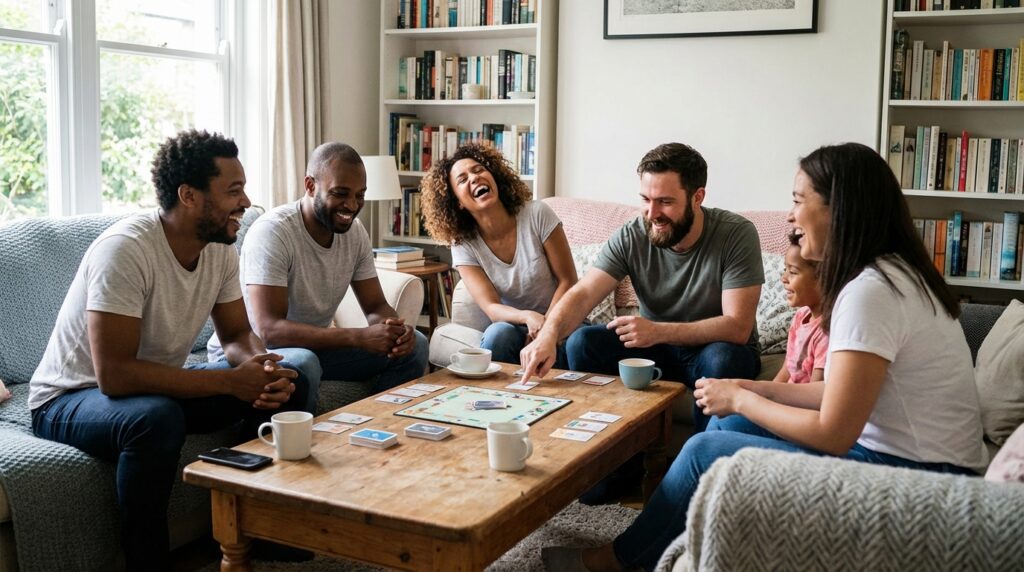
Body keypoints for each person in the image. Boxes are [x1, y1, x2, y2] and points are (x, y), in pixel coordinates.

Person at [542, 142, 987, 572]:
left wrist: (741, 398)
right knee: (725, 422)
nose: (790, 216)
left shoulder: (871, 293)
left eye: (798, 200)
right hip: (908, 455)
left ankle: (620, 560)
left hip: (920, 474)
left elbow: (833, 432)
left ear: (839, 210)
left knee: (703, 449)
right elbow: (836, 393)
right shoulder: (887, 276)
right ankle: (688, 538)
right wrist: (750, 390)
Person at [29, 130, 310, 570]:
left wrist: (260, 367)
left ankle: (253, 530)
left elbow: (236, 335)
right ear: (189, 195)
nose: (246, 201)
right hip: (68, 398)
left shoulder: (219, 248)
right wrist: (229, 381)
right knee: (155, 418)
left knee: (291, 379)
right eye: (233, 190)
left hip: (150, 387)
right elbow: (115, 376)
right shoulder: (126, 251)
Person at [520, 142, 764, 431]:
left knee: (723, 358)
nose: (652, 213)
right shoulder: (633, 234)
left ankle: (704, 452)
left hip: (714, 350)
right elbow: (584, 293)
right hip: (655, 349)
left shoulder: (736, 234)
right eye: (646, 199)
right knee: (582, 342)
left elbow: (737, 326)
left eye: (665, 202)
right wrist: (549, 334)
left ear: (697, 197)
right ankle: (610, 446)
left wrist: (658, 331)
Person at [208, 142, 428, 409]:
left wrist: (393, 330)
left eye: (360, 195)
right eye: (340, 193)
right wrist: (358, 337)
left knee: (416, 344)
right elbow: (270, 330)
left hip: (315, 350)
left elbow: (375, 306)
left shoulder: (355, 232)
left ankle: (377, 425)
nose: (352, 205)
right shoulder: (274, 232)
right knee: (305, 362)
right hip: (254, 354)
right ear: (310, 186)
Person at [420, 143, 578, 367]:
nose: (474, 178)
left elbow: (568, 280)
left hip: (562, 318)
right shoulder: (463, 244)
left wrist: (547, 329)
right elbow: (491, 307)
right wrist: (527, 317)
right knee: (498, 334)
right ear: (458, 202)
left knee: (575, 343)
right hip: (517, 324)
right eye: (463, 180)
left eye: (478, 170)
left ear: (494, 177)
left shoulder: (537, 214)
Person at [773, 231, 828, 384]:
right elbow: (787, 369)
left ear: (823, 278)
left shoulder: (826, 332)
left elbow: (815, 391)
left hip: (801, 398)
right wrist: (763, 392)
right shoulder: (800, 316)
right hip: (784, 394)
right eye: (785, 270)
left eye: (792, 272)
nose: (784, 278)